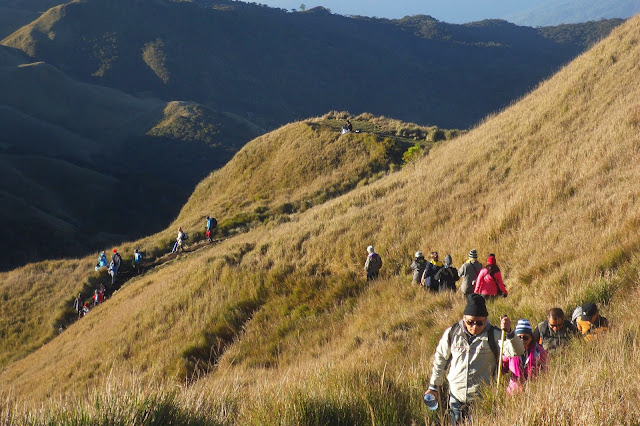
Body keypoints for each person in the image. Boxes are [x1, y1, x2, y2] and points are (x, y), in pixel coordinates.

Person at [425, 294, 524, 425]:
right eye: (470, 322)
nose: (475, 327)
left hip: (482, 400)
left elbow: (517, 351)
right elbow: (440, 360)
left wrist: (510, 332)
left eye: (479, 323)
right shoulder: (452, 333)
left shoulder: (495, 334)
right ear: (464, 318)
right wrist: (433, 386)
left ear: (486, 319)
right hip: (456, 397)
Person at [502, 319, 548, 395]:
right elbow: (502, 368)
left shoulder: (539, 352)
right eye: (519, 337)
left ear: (531, 338)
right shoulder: (509, 351)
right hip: (513, 394)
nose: (522, 340)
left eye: (525, 337)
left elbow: (546, 372)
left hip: (533, 392)